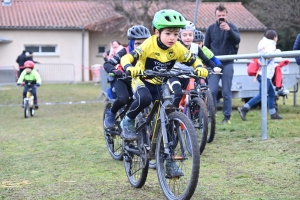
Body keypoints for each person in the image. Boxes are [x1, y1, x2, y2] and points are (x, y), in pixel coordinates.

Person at [120, 9, 208, 178]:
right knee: (144, 98)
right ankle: (128, 121)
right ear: (157, 32)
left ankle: (169, 162)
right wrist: (129, 68)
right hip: (142, 80)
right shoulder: (148, 44)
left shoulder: (177, 47)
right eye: (168, 33)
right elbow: (127, 58)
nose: (172, 38)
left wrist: (199, 67)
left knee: (169, 120)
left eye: (176, 34)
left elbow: (193, 59)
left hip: (161, 83)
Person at [104, 25, 151, 128]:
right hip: (123, 79)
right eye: (137, 43)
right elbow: (108, 64)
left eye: (144, 43)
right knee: (124, 99)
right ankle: (111, 113)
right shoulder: (125, 51)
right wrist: (115, 71)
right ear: (131, 43)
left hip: (139, 81)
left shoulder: (150, 53)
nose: (141, 46)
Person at [168, 21, 222, 108]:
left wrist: (215, 67)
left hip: (189, 75)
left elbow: (206, 60)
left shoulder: (195, 47)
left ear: (193, 36)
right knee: (178, 94)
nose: (188, 38)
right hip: (175, 75)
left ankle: (195, 113)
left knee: (194, 94)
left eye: (190, 35)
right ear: (179, 36)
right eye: (184, 35)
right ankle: (173, 115)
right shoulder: (174, 47)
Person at [204, 4, 240, 124]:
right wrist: (206, 62)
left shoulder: (232, 27)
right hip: (214, 64)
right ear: (215, 16)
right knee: (212, 90)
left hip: (228, 63)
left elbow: (237, 40)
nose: (221, 17)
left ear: (226, 15)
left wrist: (228, 30)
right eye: (219, 15)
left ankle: (227, 117)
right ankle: (211, 116)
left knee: (226, 91)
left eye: (223, 15)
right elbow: (206, 47)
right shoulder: (210, 29)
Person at [238, 30, 282, 120]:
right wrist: (277, 52)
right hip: (265, 73)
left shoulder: (262, 44)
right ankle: (244, 109)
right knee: (262, 95)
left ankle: (273, 114)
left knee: (271, 94)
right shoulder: (272, 45)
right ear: (274, 38)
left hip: (261, 73)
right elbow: (268, 57)